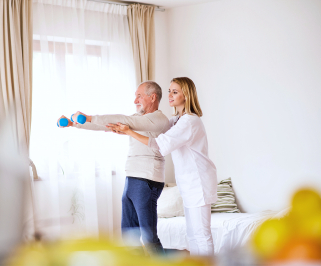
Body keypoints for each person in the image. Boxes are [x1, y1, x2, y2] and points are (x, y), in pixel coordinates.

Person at [107, 77, 218, 256]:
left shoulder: (190, 121)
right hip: (189, 184)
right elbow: (153, 132)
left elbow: (159, 144)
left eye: (175, 92)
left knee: (201, 234)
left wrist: (129, 131)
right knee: (192, 235)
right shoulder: (176, 121)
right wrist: (123, 129)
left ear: (187, 95)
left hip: (198, 183)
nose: (169, 95)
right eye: (169, 91)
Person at [57, 81, 170, 256]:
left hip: (147, 179)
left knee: (149, 238)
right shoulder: (137, 119)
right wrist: (76, 124)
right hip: (132, 179)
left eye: (139, 96)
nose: (135, 101)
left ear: (152, 97)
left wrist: (89, 117)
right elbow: (107, 126)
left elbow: (125, 120)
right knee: (129, 237)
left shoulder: (159, 119)